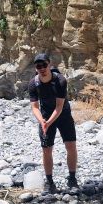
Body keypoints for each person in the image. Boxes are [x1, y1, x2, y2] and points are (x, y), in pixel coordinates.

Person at [28, 52, 78, 193]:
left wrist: (48, 123)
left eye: (44, 65)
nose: (42, 68)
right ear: (36, 68)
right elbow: (35, 107)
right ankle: (50, 182)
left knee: (71, 146)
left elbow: (59, 107)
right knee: (46, 149)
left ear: (49, 64)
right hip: (45, 116)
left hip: (63, 116)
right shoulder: (33, 84)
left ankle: (72, 178)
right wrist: (42, 122)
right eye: (39, 66)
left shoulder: (60, 81)